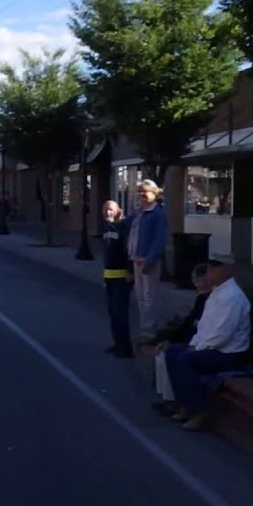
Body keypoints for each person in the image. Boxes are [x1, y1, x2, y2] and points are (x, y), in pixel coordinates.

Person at [165, 259, 252, 431]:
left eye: (214, 268)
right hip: (211, 347)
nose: (209, 272)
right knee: (172, 352)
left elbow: (222, 335)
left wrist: (197, 348)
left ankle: (199, 412)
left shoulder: (232, 297)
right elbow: (204, 326)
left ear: (227, 270)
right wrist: (195, 343)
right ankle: (185, 404)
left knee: (186, 360)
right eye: (208, 268)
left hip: (228, 353)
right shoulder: (216, 293)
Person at [151, 263, 213, 417]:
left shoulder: (213, 300)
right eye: (196, 280)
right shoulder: (200, 299)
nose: (198, 284)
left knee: (171, 355)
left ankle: (178, 401)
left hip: (200, 343)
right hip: (189, 339)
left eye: (202, 281)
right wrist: (170, 339)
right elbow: (188, 323)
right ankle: (167, 398)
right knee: (161, 354)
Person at [127, 179, 167, 344]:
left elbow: (159, 240)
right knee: (140, 296)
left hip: (147, 259)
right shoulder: (140, 212)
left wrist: (150, 260)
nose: (142, 195)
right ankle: (144, 330)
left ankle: (150, 332)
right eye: (140, 192)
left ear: (155, 194)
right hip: (136, 258)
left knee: (149, 297)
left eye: (146, 192)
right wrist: (135, 212)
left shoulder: (158, 214)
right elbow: (129, 227)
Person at [100, 200, 133, 358]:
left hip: (121, 276)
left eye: (111, 209)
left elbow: (129, 250)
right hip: (109, 276)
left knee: (120, 313)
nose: (108, 212)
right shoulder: (105, 227)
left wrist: (130, 271)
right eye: (106, 209)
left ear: (118, 210)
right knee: (112, 312)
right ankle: (118, 343)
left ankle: (126, 347)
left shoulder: (123, 227)